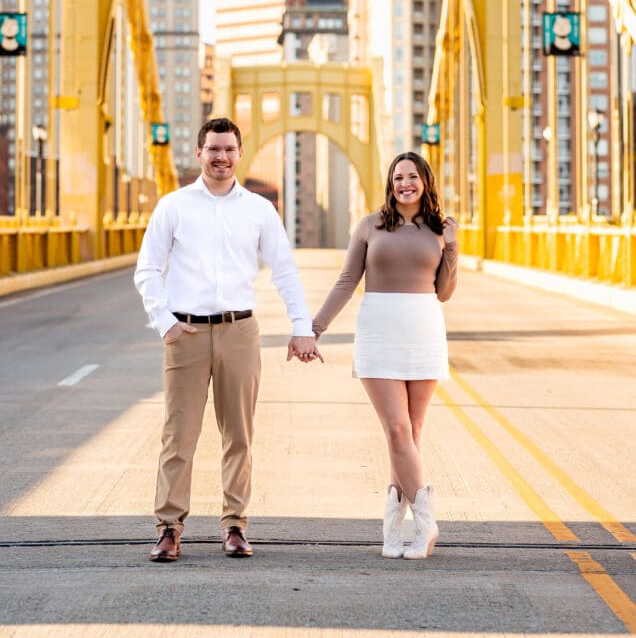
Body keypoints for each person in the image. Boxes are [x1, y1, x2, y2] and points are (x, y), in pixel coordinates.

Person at [134, 116, 322, 563]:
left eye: (229, 150)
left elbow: (284, 271)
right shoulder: (173, 206)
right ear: (199, 153)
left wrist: (302, 328)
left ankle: (235, 524)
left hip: (240, 330)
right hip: (187, 331)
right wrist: (165, 323)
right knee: (178, 435)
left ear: (240, 154)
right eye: (213, 149)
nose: (221, 157)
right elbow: (147, 269)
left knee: (238, 434)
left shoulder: (258, 210)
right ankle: (168, 528)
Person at [312, 151, 458, 560]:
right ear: (390, 183)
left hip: (424, 329)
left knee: (409, 435)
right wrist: (315, 328)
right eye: (398, 177)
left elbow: (444, 292)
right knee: (397, 431)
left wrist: (452, 248)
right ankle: (427, 523)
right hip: (379, 331)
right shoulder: (369, 226)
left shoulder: (437, 230)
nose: (405, 183)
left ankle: (392, 531)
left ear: (425, 182)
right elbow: (346, 281)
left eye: (413, 176)